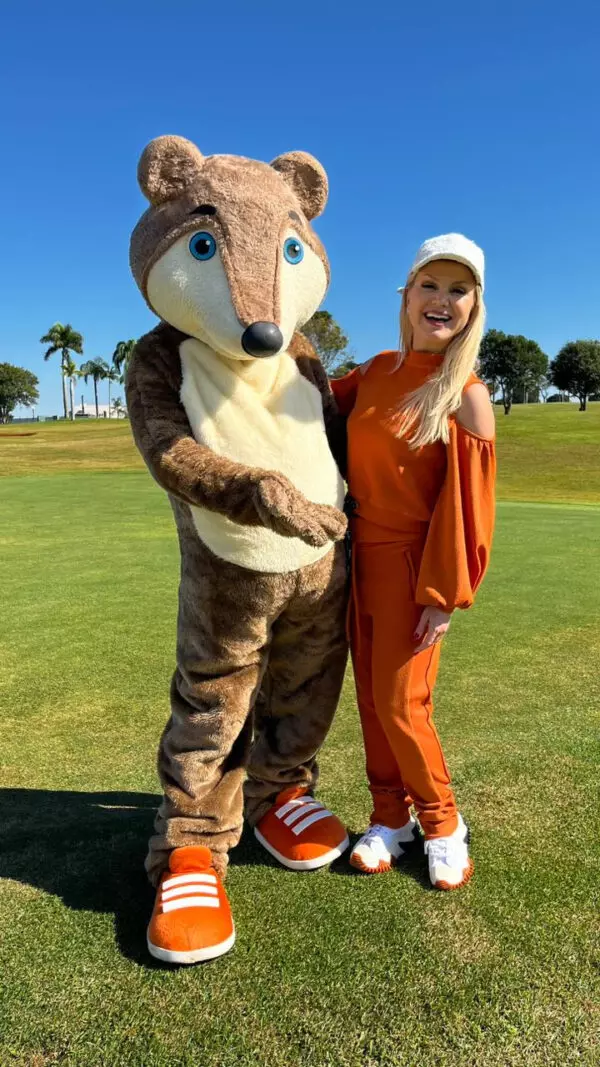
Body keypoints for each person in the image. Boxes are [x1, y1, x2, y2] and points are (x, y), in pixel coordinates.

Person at [331, 234, 496, 890]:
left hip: (414, 566)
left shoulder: (468, 395)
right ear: (406, 295)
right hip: (357, 560)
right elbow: (310, 402)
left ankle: (442, 823)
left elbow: (468, 508)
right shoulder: (373, 372)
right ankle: (388, 818)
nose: (442, 300)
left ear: (474, 306)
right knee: (372, 701)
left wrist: (444, 593)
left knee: (403, 703)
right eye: (431, 284)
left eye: (459, 290)